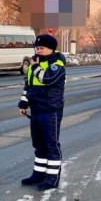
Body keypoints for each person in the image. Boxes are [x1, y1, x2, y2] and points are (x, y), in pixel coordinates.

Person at [18, 34, 66, 190]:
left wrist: (35, 67)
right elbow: (28, 85)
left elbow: (48, 79)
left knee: (51, 144)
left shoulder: (57, 64)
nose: (38, 51)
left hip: (50, 110)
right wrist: (24, 102)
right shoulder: (35, 64)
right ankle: (38, 174)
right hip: (37, 109)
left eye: (42, 48)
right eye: (37, 48)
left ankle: (52, 178)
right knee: (38, 144)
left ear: (50, 49)